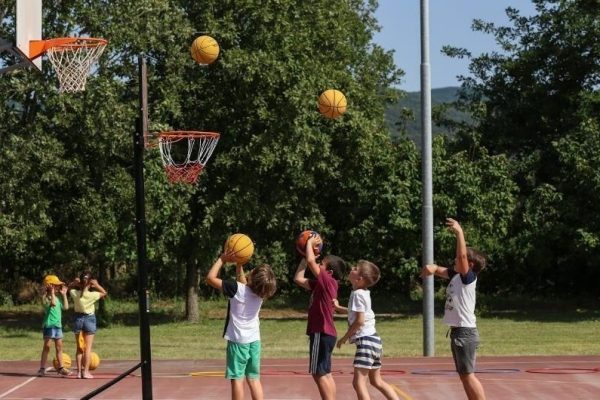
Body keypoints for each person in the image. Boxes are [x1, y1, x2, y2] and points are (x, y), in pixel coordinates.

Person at [420, 218, 487, 400]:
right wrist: (432, 268)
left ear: (470, 265)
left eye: (459, 259)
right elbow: (440, 270)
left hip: (465, 333)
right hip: (458, 332)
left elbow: (462, 257)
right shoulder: (456, 276)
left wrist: (459, 233)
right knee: (464, 375)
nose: (455, 260)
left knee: (468, 375)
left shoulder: (468, 278)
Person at [206, 250, 277, 400]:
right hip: (254, 341)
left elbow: (210, 278)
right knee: (253, 378)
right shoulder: (260, 294)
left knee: (237, 379)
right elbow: (244, 283)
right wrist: (239, 264)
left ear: (252, 276)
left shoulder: (236, 289)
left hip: (238, 342)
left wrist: (222, 259)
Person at [333, 260, 399, 400]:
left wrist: (344, 338)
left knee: (358, 383)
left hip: (366, 341)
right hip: (375, 341)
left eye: (355, 268)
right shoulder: (363, 293)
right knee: (376, 381)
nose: (352, 268)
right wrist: (339, 308)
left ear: (359, 279)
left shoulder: (357, 295)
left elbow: (359, 320)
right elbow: (357, 312)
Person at [293, 235, 346, 400]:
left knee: (318, 373)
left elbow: (311, 261)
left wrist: (309, 243)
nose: (317, 264)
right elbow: (298, 279)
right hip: (327, 333)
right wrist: (304, 257)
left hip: (321, 332)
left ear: (328, 272)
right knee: (326, 373)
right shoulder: (322, 284)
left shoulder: (328, 280)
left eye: (321, 264)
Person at [69, 271, 107, 379]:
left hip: (78, 319)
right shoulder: (93, 295)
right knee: (88, 348)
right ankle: (86, 372)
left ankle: (79, 373)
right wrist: (97, 285)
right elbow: (104, 293)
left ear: (80, 282)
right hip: (89, 319)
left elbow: (68, 288)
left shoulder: (74, 293)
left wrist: (75, 283)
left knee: (79, 348)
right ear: (90, 283)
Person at [38, 274, 71, 377]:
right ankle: (42, 368)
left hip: (58, 326)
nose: (58, 287)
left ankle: (61, 368)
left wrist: (64, 294)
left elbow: (66, 307)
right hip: (49, 325)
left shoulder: (57, 298)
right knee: (47, 347)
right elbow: (52, 304)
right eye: (55, 285)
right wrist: (52, 293)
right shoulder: (45, 298)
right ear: (49, 286)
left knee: (59, 347)